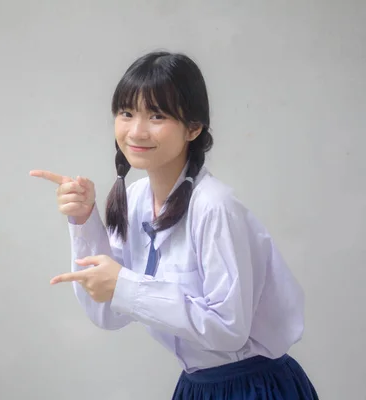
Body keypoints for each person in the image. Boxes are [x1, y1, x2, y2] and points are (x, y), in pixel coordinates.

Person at [30, 51, 319, 399]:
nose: (136, 130)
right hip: (196, 386)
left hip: (251, 387)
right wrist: (83, 221)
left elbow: (229, 330)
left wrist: (125, 285)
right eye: (126, 113)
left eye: (157, 115)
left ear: (193, 127)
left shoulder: (214, 206)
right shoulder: (135, 199)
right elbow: (109, 313)